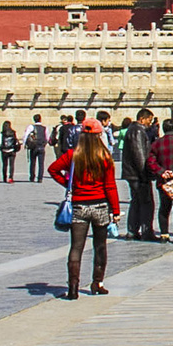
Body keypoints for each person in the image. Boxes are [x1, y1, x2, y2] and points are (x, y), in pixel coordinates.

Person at [47, 118, 121, 299]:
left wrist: (69, 184)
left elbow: (53, 169)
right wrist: (116, 210)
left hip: (79, 206)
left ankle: (73, 287)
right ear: (99, 136)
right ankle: (98, 283)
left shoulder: (73, 155)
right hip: (100, 206)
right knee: (100, 246)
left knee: (76, 247)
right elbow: (110, 186)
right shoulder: (104, 156)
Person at [121, 108, 157, 242]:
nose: (150, 123)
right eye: (149, 120)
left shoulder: (133, 129)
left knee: (136, 202)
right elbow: (139, 154)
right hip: (138, 174)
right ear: (142, 119)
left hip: (132, 173)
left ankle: (133, 231)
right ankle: (146, 231)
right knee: (146, 202)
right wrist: (145, 173)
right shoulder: (138, 131)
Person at [25, 114, 50, 182]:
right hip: (41, 147)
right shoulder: (45, 128)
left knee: (32, 162)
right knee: (41, 163)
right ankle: (40, 178)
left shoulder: (31, 127)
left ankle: (32, 177)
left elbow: (26, 135)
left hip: (33, 147)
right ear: (40, 119)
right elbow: (47, 138)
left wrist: (25, 144)